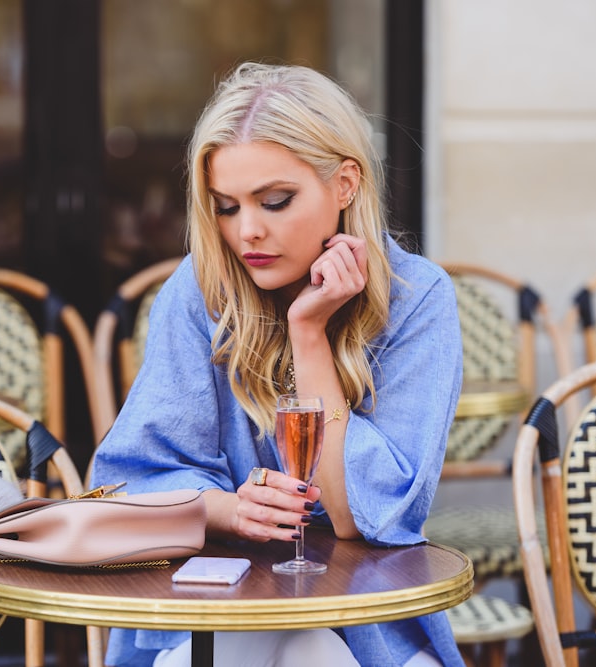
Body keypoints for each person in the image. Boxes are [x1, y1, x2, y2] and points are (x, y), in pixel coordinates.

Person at [90, 61, 464, 667]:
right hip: (212, 613)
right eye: (227, 207)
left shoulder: (418, 298)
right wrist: (231, 510)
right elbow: (134, 479)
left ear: (345, 184)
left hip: (364, 623)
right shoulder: (199, 292)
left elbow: (364, 518)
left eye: (275, 201)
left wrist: (309, 333)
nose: (248, 233)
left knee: (314, 650)